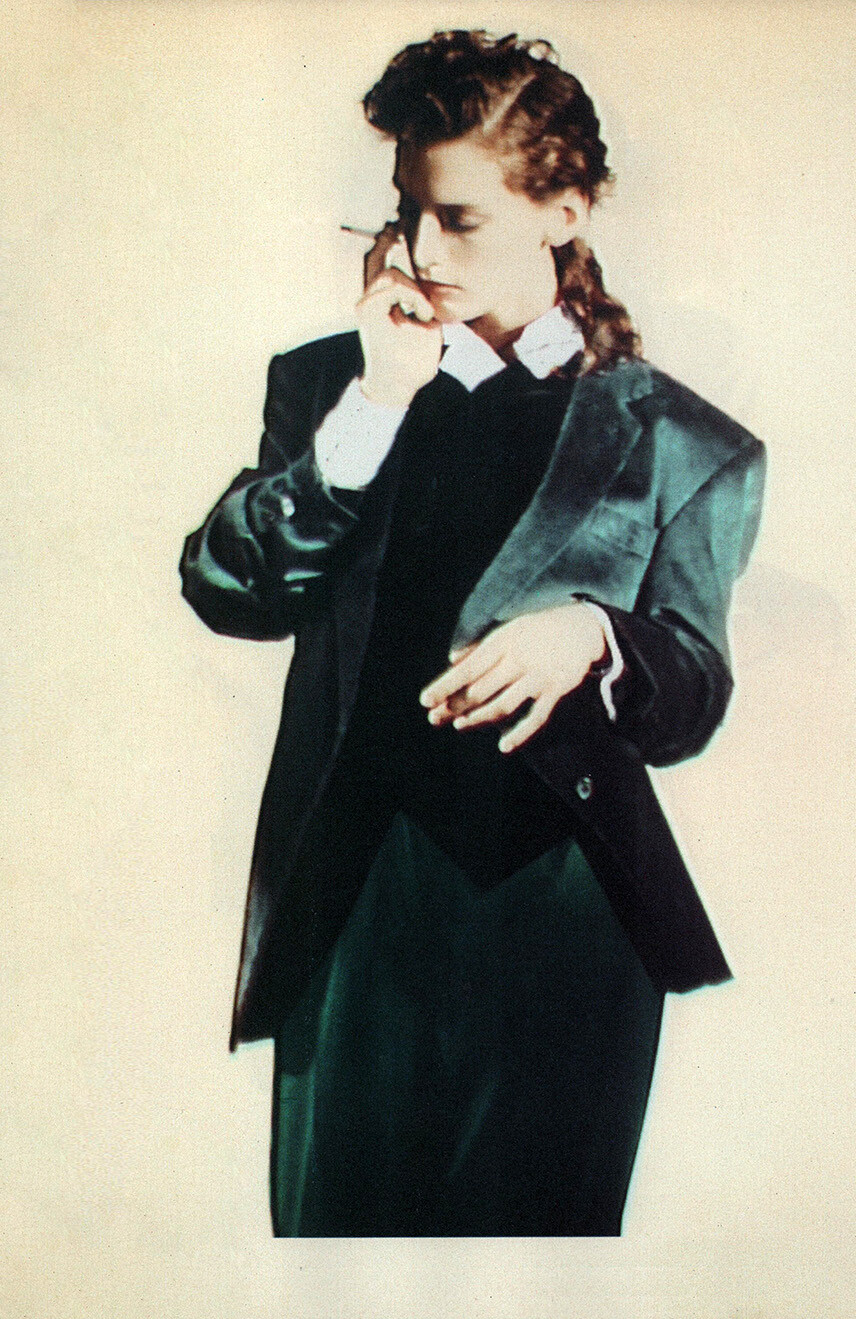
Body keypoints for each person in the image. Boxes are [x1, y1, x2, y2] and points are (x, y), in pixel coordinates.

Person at [180, 29, 765, 1237]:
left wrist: (596, 638)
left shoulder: (684, 442)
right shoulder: (330, 387)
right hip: (357, 904)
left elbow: (692, 696)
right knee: (340, 1269)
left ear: (565, 210)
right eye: (407, 213)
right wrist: (379, 398)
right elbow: (233, 590)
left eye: (461, 219)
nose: (424, 251)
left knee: (545, 1276)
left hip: (572, 915)